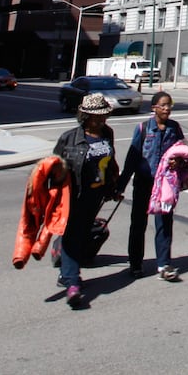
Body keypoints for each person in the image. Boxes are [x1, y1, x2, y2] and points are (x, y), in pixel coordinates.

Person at [53, 93, 122, 307]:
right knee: (73, 235)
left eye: (104, 116)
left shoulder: (107, 133)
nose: (102, 120)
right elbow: (53, 166)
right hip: (74, 195)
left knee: (81, 234)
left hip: (96, 194)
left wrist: (113, 187)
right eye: (97, 117)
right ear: (85, 116)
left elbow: (110, 163)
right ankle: (73, 283)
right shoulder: (70, 138)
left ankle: (65, 267)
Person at [120, 90, 186, 281]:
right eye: (163, 105)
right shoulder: (143, 129)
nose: (167, 109)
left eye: (169, 105)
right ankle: (135, 264)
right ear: (154, 108)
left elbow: (183, 151)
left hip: (165, 185)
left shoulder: (174, 128)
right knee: (138, 224)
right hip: (143, 183)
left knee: (164, 224)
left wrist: (178, 162)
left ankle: (164, 264)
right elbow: (131, 159)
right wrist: (120, 186)